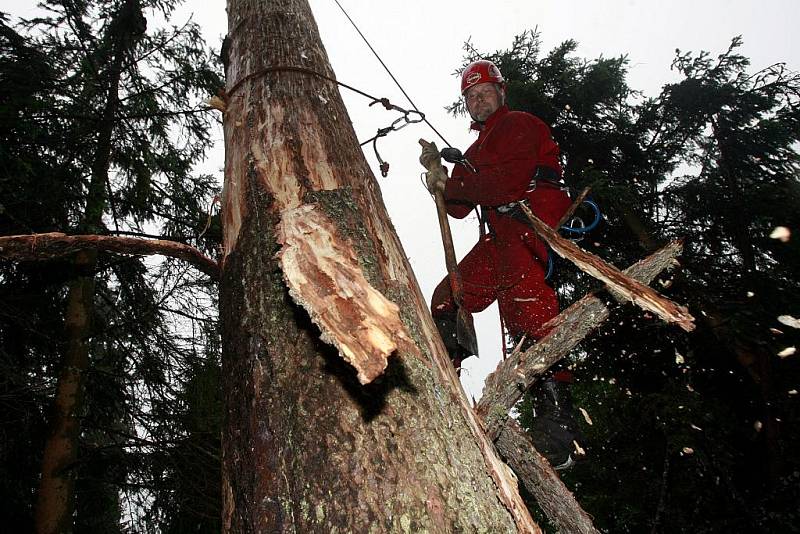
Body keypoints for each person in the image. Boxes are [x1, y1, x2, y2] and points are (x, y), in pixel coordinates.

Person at [420, 59, 572, 371]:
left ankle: (554, 404)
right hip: (501, 237)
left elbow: (507, 184)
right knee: (448, 296)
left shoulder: (518, 123)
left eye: (485, 92)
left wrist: (452, 186)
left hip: (529, 224)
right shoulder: (475, 151)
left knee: (525, 304)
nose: (479, 100)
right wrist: (437, 176)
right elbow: (458, 209)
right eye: (472, 97)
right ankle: (447, 372)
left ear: (501, 92)